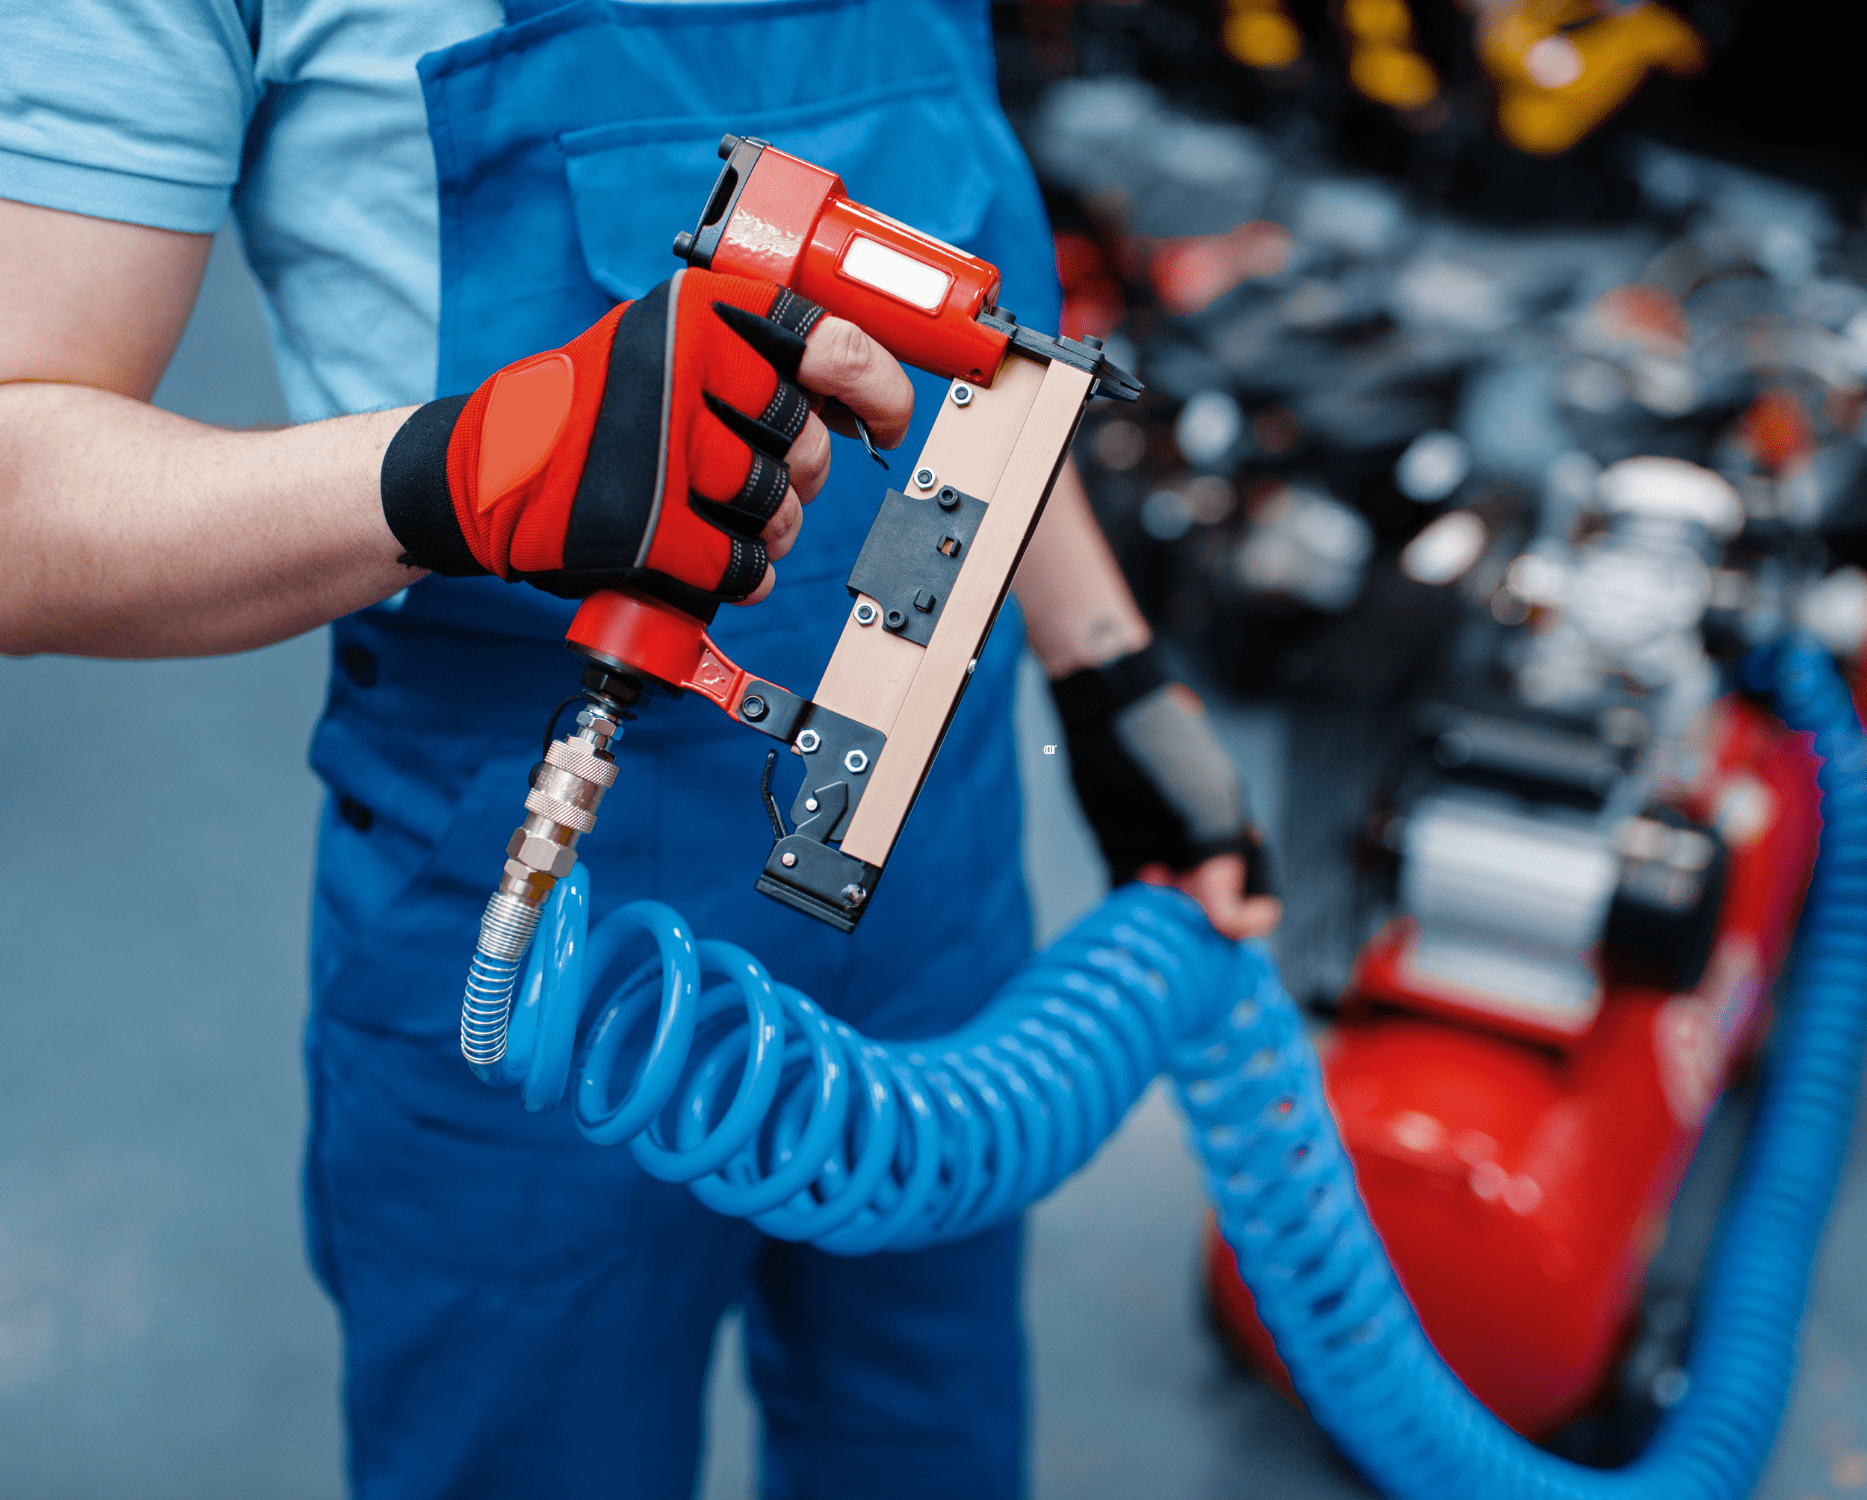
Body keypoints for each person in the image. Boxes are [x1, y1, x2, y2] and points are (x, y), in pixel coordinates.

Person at [0, 2, 1279, 1498]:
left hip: (933, 863)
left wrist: (1108, 667)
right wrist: (458, 473)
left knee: (923, 1444)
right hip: (556, 940)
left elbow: (969, 347)